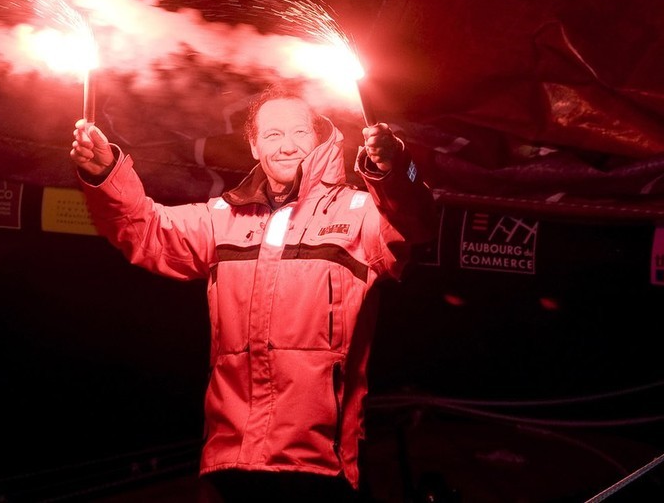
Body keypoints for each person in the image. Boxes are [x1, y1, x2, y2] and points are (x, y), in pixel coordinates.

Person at [70, 83, 437, 502]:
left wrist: (394, 169)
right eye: (273, 135)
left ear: (318, 139)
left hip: (320, 464)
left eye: (299, 133)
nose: (286, 146)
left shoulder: (359, 213)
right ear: (254, 145)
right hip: (230, 460)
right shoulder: (222, 217)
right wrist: (105, 175)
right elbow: (146, 232)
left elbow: (416, 226)